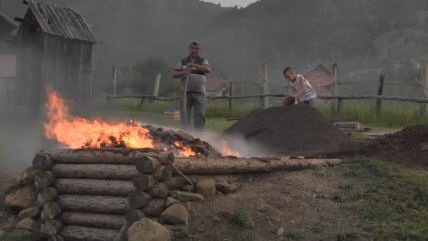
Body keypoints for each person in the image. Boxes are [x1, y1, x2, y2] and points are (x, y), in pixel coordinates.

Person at [173, 41, 211, 130]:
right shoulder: (183, 61)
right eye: (193, 48)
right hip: (185, 92)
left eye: (197, 48)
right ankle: (186, 135)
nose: (195, 50)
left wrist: (195, 65)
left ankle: (198, 136)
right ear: (189, 49)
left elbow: (208, 69)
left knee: (200, 115)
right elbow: (174, 74)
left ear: (200, 50)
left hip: (200, 93)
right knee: (185, 115)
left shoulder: (203, 61)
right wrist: (185, 72)